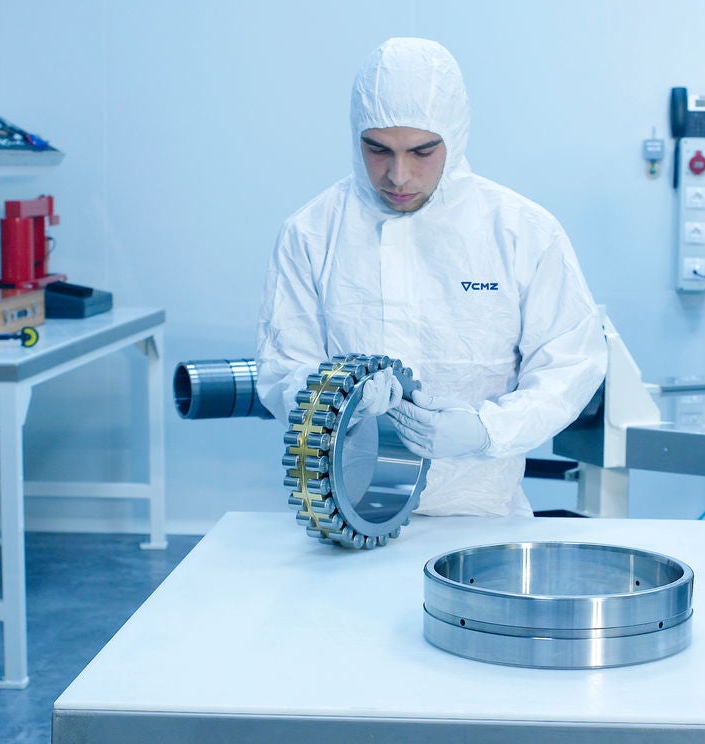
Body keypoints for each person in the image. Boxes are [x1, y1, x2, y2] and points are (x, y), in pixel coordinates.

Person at [256, 38, 607, 518]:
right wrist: (337, 399)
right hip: (346, 512)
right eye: (378, 150)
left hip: (481, 514)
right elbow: (281, 367)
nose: (398, 175)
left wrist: (487, 429)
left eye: (422, 151)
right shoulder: (311, 233)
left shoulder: (521, 231)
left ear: (456, 136)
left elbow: (571, 364)